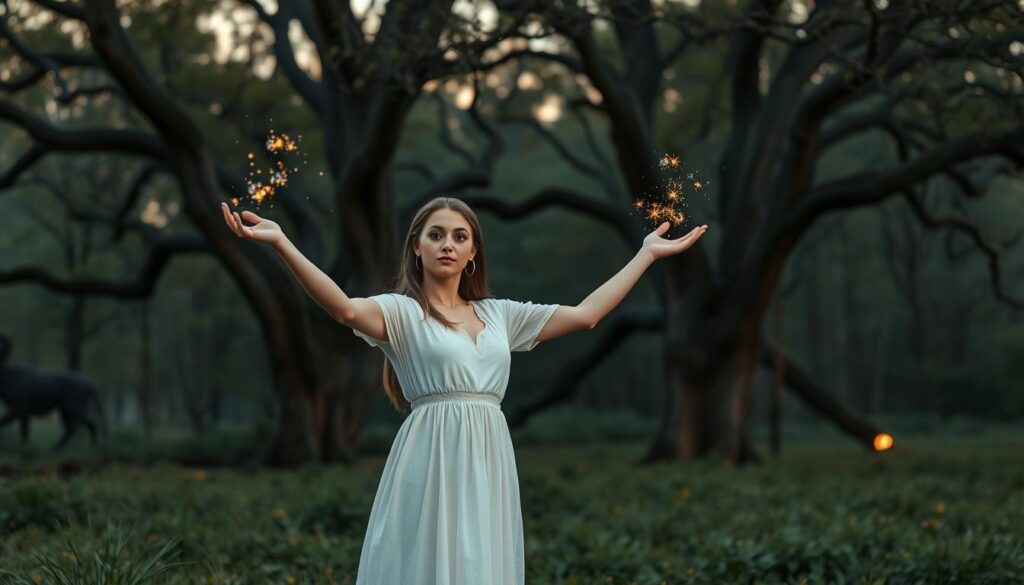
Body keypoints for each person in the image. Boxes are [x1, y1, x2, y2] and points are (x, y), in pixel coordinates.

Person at [220, 196, 707, 584]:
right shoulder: (401, 313)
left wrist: (645, 254)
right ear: (417, 246)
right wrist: (282, 243)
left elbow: (586, 315)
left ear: (473, 252)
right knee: (427, 564)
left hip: (489, 456)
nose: (446, 245)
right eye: (435, 235)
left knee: (480, 565)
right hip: (429, 454)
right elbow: (345, 309)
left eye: (459, 236)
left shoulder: (500, 315)